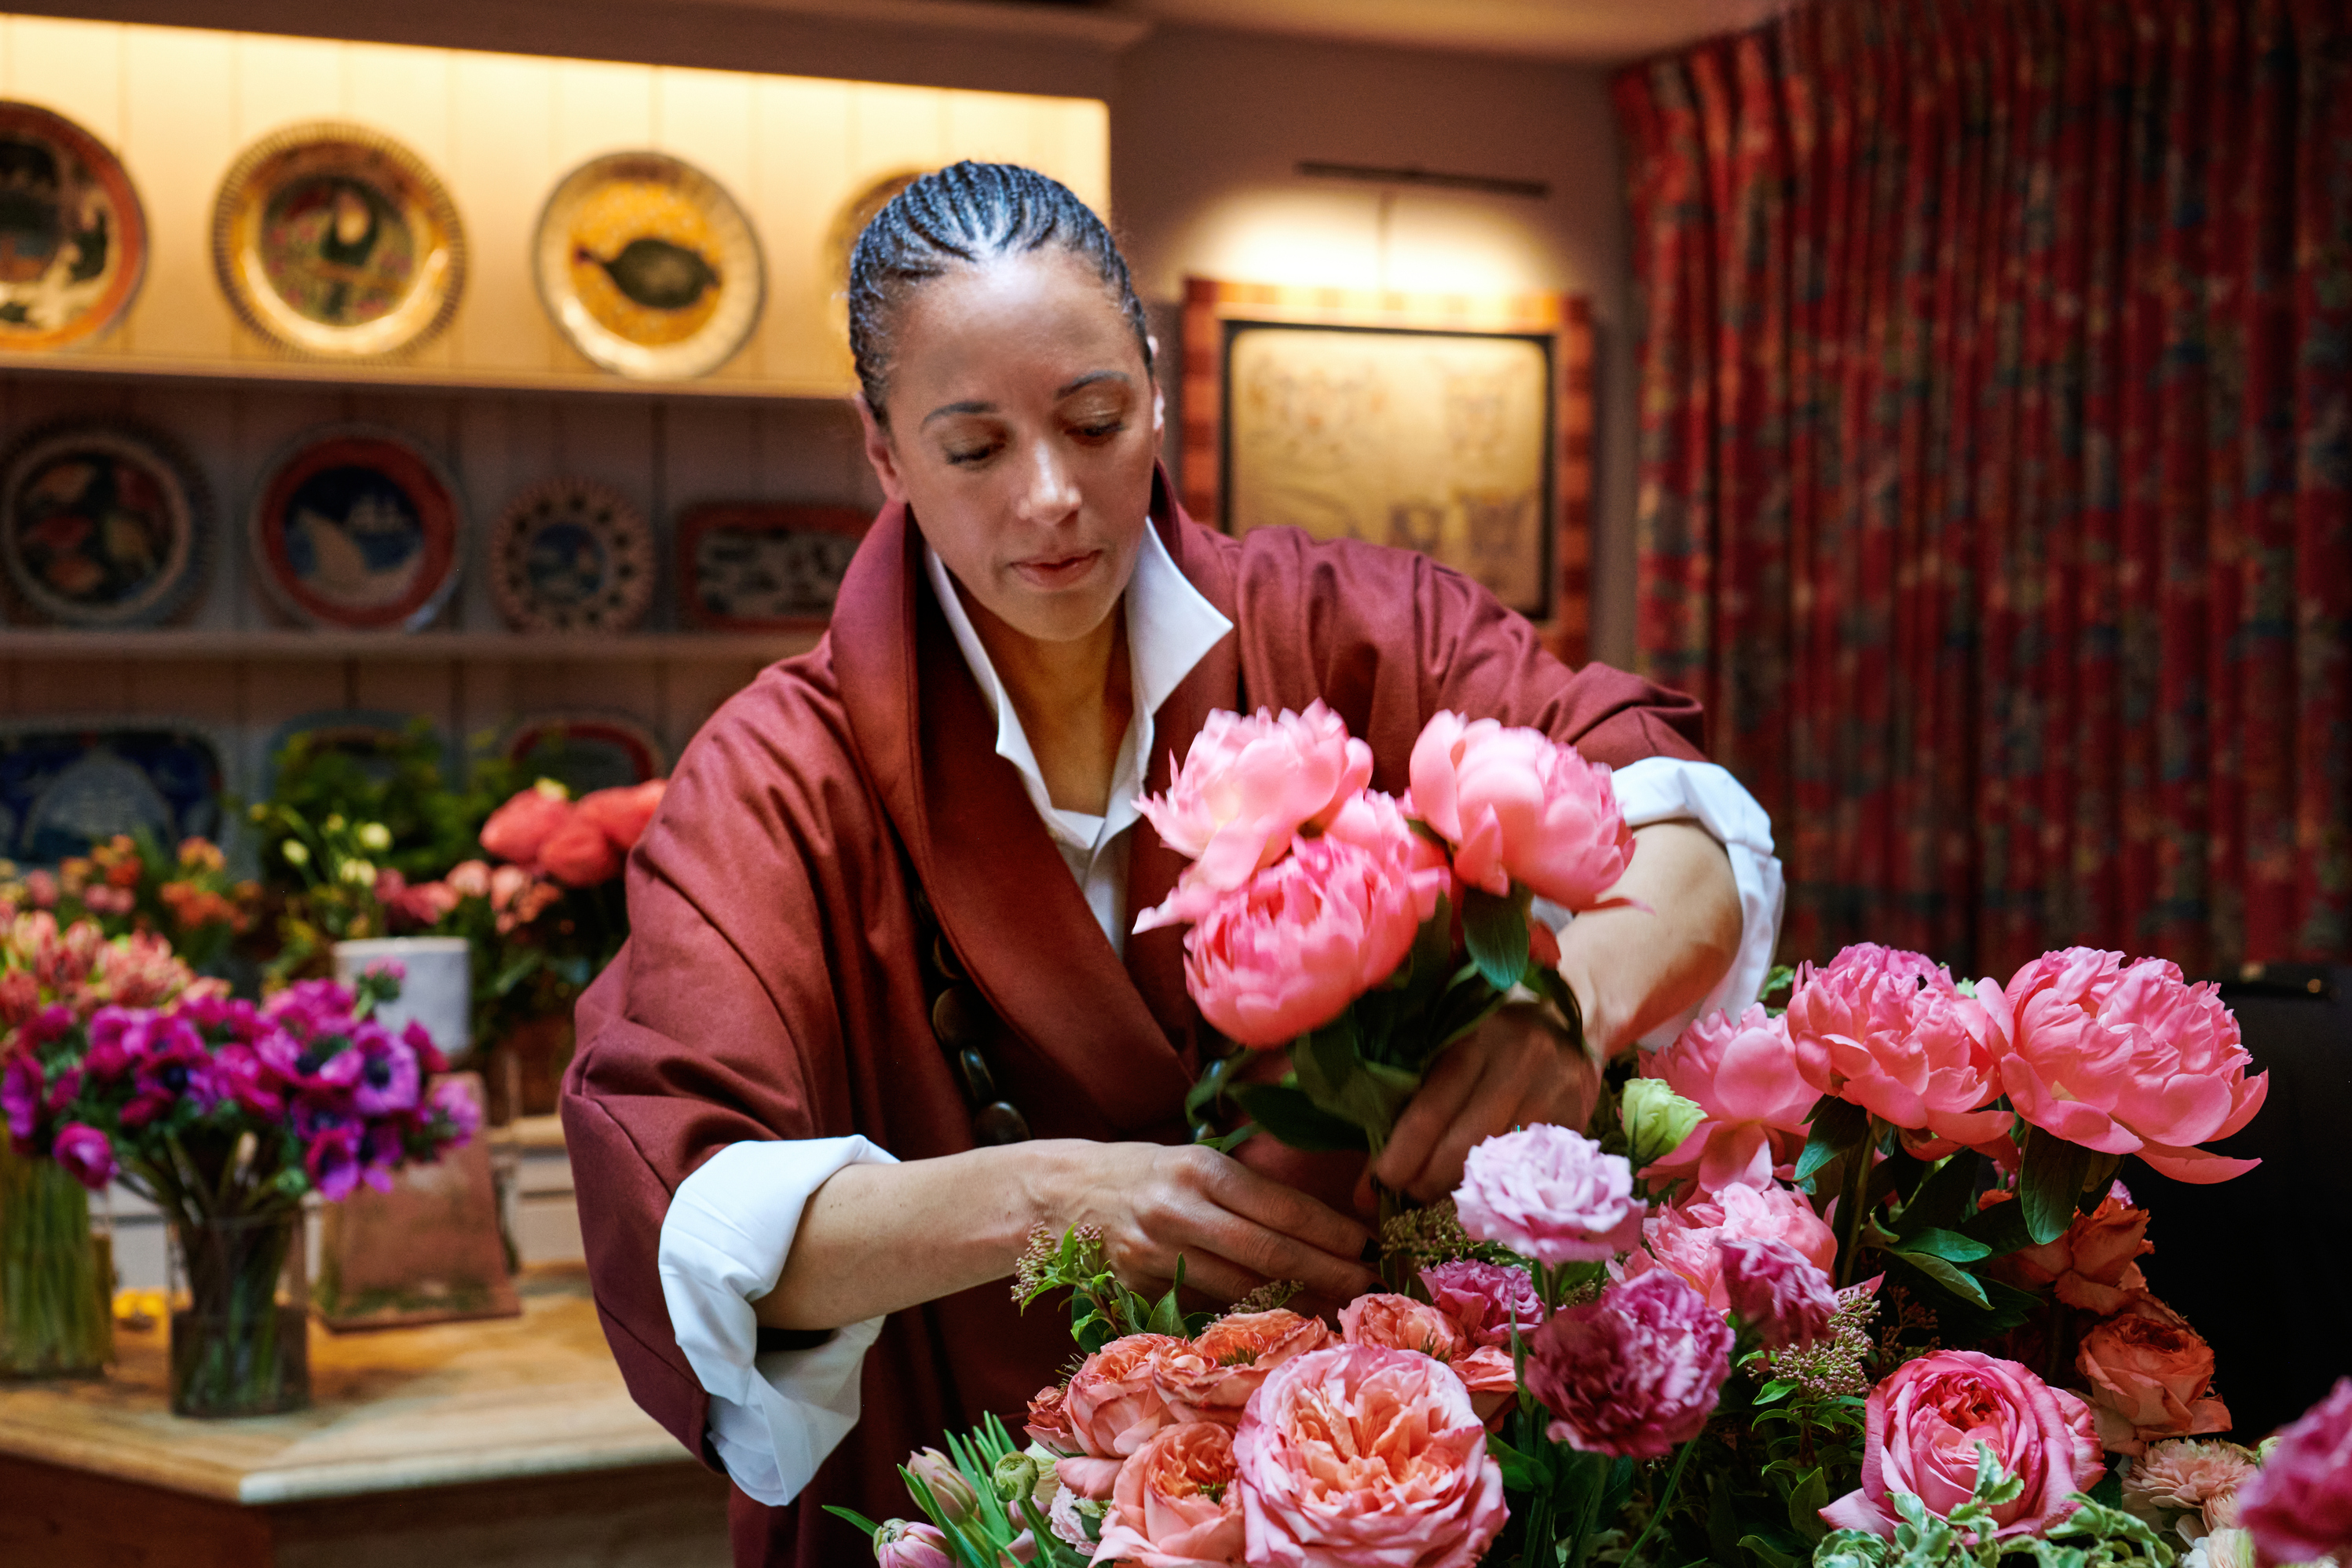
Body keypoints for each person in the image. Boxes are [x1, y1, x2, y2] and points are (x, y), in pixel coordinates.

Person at [562, 162, 1783, 1567]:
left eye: (1094, 421)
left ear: (1154, 385)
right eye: (974, 449)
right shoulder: (781, 773)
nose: (1052, 497)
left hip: (1382, 1496)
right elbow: (692, 1208)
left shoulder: (1346, 628)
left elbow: (1686, 824)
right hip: (975, 1499)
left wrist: (1568, 1002)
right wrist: (1052, 1201)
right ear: (884, 453)